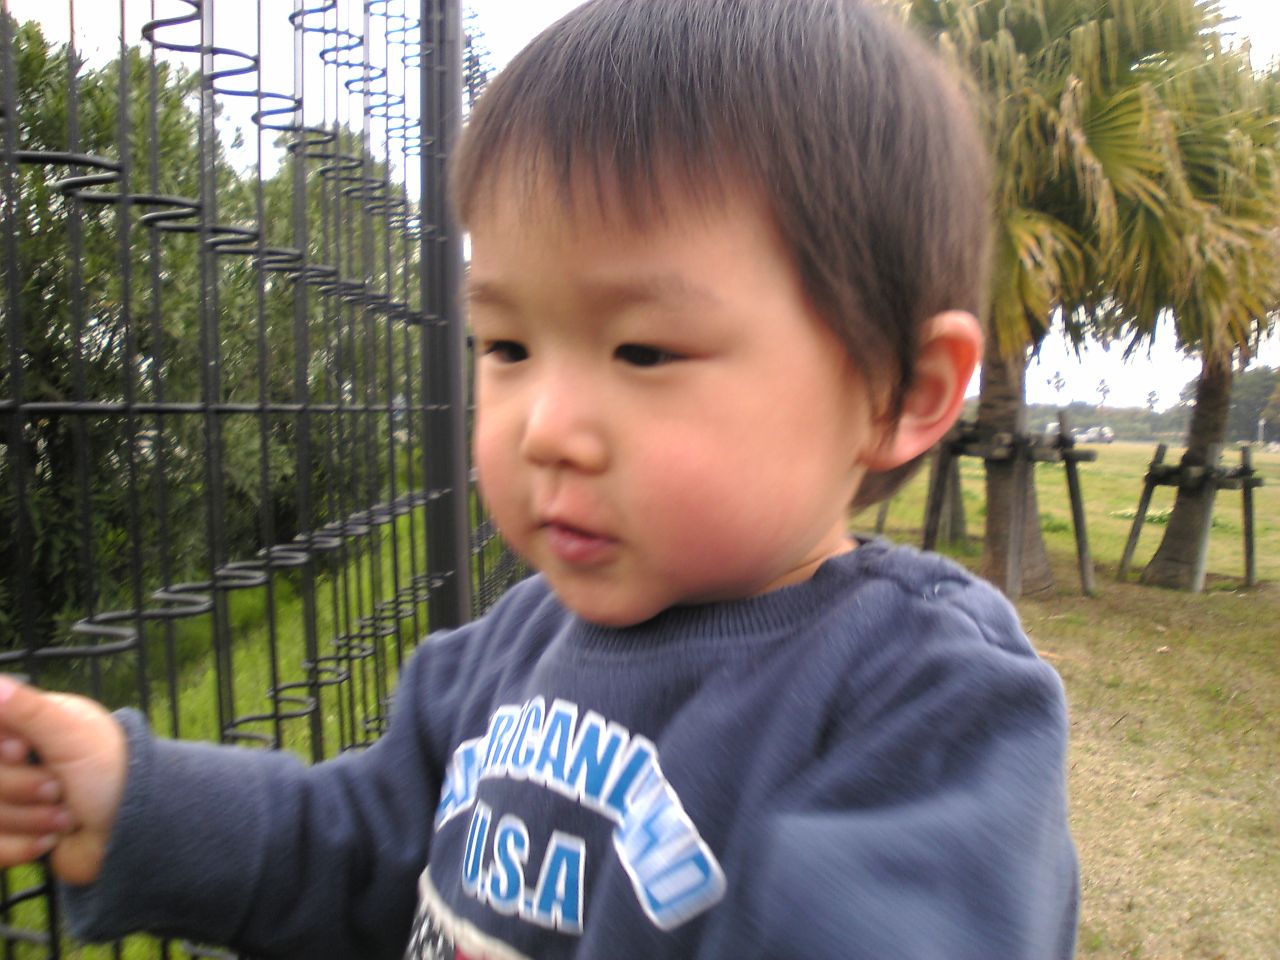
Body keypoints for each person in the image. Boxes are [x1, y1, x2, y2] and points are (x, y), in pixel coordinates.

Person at [0, 0, 1078, 957]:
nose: (545, 429)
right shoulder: (493, 662)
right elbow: (352, 855)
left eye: (644, 351)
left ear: (899, 390)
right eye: (506, 346)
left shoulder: (923, 702)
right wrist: (135, 804)